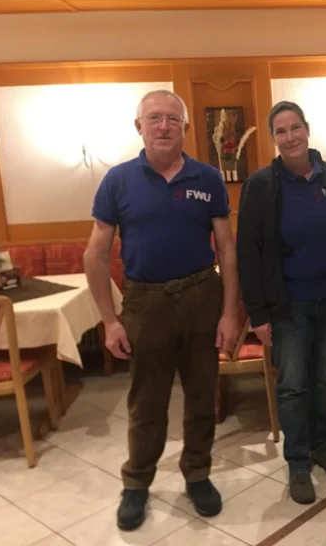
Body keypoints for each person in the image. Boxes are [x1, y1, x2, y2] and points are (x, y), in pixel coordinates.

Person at [84, 89, 239, 531]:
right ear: (139, 127)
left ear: (186, 127)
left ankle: (198, 474)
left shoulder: (208, 178)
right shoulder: (118, 181)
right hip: (145, 303)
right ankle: (136, 483)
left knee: (202, 396)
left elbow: (227, 249)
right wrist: (110, 321)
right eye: (155, 118)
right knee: (147, 401)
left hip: (201, 296)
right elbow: (95, 256)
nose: (164, 126)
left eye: (173, 118)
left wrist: (229, 313)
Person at [237, 101, 326, 505]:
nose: (290, 137)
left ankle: (322, 444)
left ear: (307, 129)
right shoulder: (261, 185)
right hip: (287, 305)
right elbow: (248, 253)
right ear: (274, 139)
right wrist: (258, 313)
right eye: (281, 131)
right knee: (293, 386)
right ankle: (298, 462)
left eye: (295, 128)